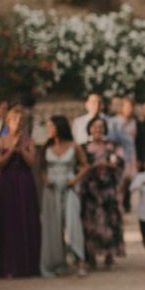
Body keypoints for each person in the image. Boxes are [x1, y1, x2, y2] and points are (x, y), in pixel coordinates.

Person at [39, 116, 88, 278]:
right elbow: (41, 169)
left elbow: (85, 166)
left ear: (59, 127)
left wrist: (74, 180)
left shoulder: (73, 146)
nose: (49, 130)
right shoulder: (47, 147)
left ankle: (80, 260)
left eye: (51, 127)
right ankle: (57, 262)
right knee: (53, 226)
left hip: (69, 188)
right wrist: (46, 180)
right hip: (51, 190)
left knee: (73, 223)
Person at [0, 105, 41, 278]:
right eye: (15, 119)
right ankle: (6, 265)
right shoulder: (1, 141)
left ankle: (27, 264)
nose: (18, 123)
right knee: (6, 222)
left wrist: (21, 149)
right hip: (6, 183)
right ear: (8, 121)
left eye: (21, 120)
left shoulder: (29, 141)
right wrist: (11, 149)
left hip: (24, 183)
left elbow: (32, 164)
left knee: (24, 220)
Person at [80, 117, 125, 270]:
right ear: (89, 129)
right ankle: (91, 256)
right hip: (91, 190)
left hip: (108, 189)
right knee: (90, 222)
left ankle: (109, 255)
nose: (98, 130)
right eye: (94, 127)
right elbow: (79, 166)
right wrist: (93, 166)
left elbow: (120, 163)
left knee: (109, 221)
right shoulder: (83, 147)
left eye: (100, 127)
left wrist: (107, 165)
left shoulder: (112, 146)